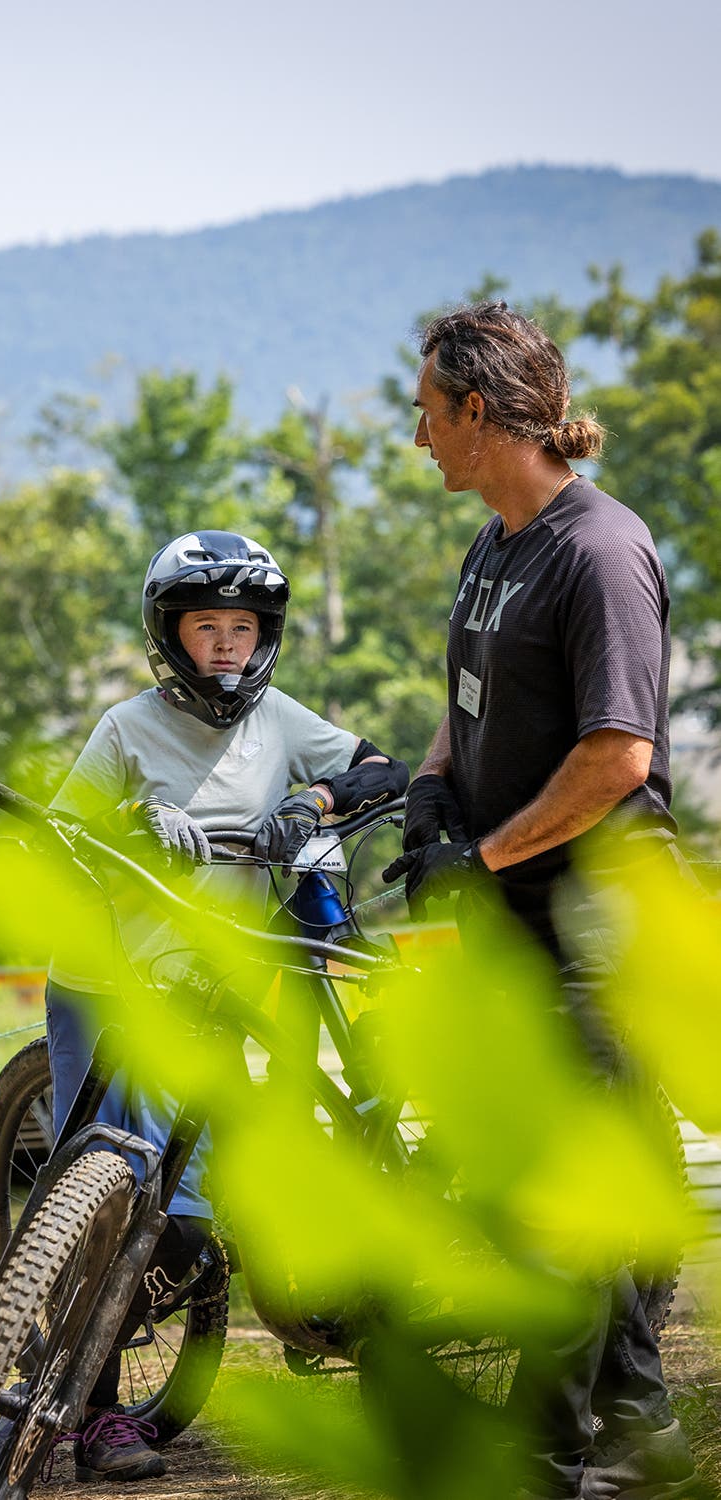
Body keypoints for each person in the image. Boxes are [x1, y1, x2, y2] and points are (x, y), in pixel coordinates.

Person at [382, 301, 700, 1500]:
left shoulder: (598, 552)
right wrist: (427, 790)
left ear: (481, 407)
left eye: (427, 411)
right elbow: (470, 706)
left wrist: (492, 856)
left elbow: (619, 754)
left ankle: (548, 1456)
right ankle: (643, 1433)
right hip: (518, 909)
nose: (417, 437)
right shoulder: (494, 547)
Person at [41, 529, 407, 1481]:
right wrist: (128, 824)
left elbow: (382, 769)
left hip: (220, 989)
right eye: (208, 628)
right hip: (115, 987)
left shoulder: (277, 718)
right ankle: (97, 1413)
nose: (228, 648)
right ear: (172, 634)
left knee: (193, 1220)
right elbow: (58, 842)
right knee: (113, 1193)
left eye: (243, 629)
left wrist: (313, 804)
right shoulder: (125, 728)